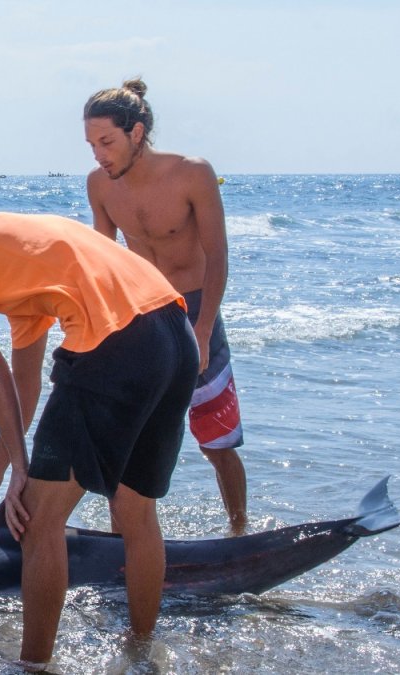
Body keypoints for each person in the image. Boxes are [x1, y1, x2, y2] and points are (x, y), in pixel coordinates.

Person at [0, 202, 198, 666]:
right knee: (135, 511)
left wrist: (22, 477)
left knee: (37, 521)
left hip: (117, 344)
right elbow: (23, 384)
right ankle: (141, 651)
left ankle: (33, 665)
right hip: (174, 335)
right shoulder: (10, 258)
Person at [84, 77, 248, 535]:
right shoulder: (99, 184)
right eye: (92, 143)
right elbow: (106, 261)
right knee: (126, 434)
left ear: (136, 133)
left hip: (196, 310)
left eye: (107, 142)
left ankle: (239, 530)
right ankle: (124, 539)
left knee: (215, 440)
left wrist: (202, 327)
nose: (98, 153)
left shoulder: (192, 173)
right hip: (142, 314)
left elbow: (218, 257)